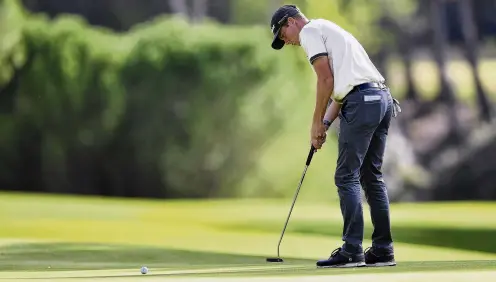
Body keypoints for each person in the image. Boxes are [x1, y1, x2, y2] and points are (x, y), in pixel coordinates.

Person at [269, 4, 401, 268]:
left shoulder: (309, 32)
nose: (287, 41)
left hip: (363, 101)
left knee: (346, 176)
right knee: (371, 176)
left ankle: (352, 250)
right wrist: (326, 122)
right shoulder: (329, 29)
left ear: (292, 22)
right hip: (381, 99)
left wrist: (315, 122)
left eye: (283, 35)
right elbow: (343, 86)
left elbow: (326, 81)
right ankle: (383, 250)